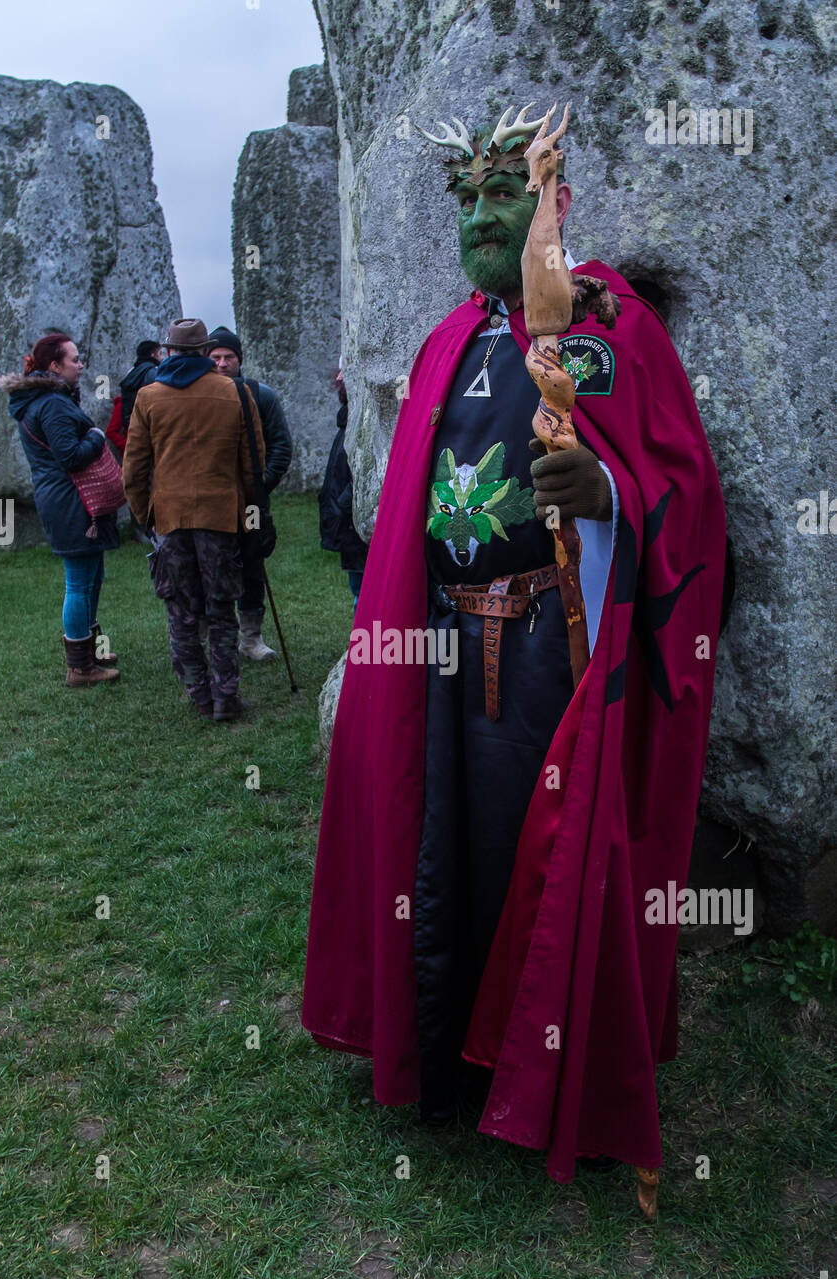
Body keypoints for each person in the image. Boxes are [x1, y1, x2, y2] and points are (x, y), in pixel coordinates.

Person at [302, 102, 726, 1205]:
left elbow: (684, 494)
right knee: (436, 848)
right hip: (439, 647)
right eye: (466, 199)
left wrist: (608, 496)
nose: (482, 217)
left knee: (539, 854)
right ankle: (442, 1055)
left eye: (506, 192)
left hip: (553, 651)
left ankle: (540, 1077)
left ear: (555, 201)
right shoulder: (447, 343)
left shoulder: (608, 329)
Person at [121, 318, 261, 722]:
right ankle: (226, 696)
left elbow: (134, 468)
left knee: (182, 611)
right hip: (221, 516)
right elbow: (252, 462)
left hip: (170, 517)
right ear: (205, 351)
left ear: (167, 352)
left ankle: (198, 693)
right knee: (221, 609)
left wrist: (145, 515)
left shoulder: (148, 397)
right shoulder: (235, 392)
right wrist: (250, 510)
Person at [0, 333, 120, 688]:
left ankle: (90, 653)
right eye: (74, 359)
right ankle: (80, 668)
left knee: (92, 576)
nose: (81, 365)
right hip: (70, 501)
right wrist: (97, 435)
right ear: (54, 366)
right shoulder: (51, 404)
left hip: (68, 498)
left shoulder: (46, 400)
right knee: (80, 582)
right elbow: (69, 456)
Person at [208, 327, 293, 663]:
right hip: (212, 501)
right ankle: (218, 635)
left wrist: (260, 485)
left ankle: (251, 637)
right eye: (215, 357)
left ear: (239, 359)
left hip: (253, 503)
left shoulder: (261, 396)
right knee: (212, 565)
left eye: (228, 357)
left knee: (252, 563)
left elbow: (281, 445)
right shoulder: (198, 398)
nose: (222, 363)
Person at [318, 369, 369, 612]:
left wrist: (342, 505)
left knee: (366, 592)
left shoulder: (365, 421)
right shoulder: (347, 419)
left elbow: (365, 473)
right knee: (359, 588)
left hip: (357, 522)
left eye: (344, 372)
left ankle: (368, 635)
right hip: (349, 524)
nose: (338, 378)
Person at [119, 340, 161, 433]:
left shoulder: (132, 372)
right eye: (160, 354)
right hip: (149, 426)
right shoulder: (154, 372)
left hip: (132, 424)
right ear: (153, 355)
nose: (161, 357)